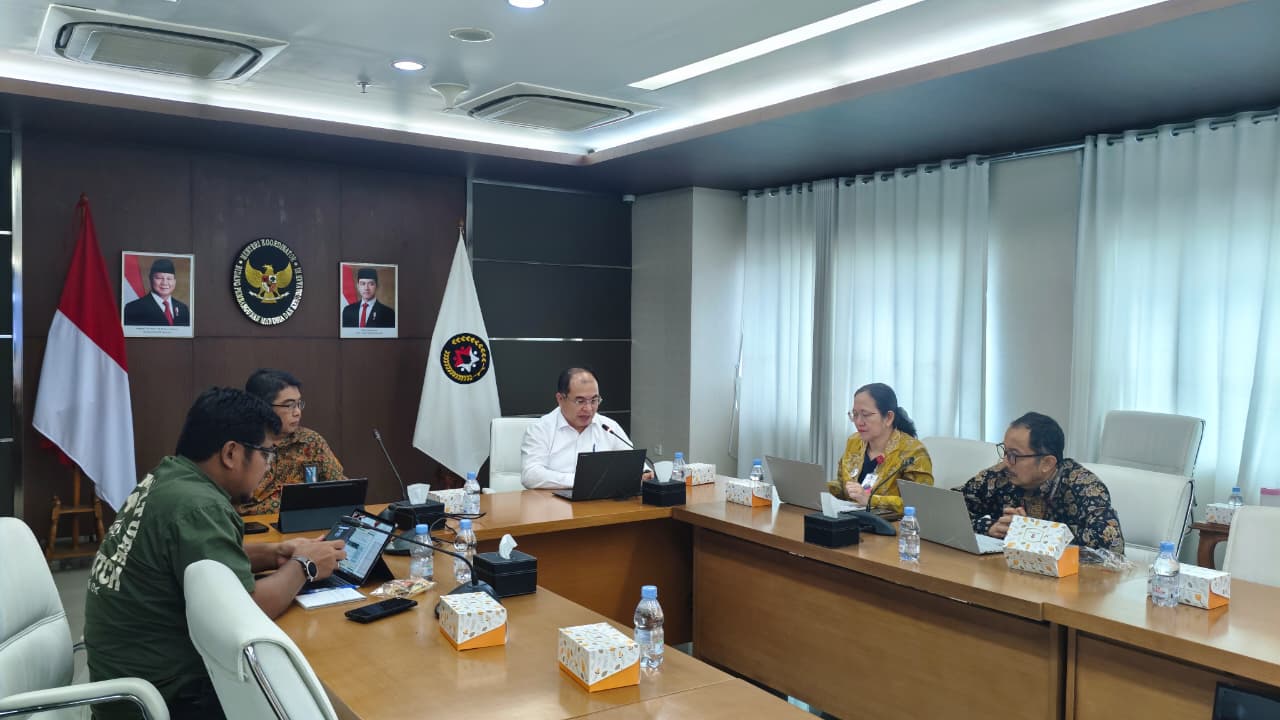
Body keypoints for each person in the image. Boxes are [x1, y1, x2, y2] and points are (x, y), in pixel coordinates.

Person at [84, 387, 347, 720]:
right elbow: (244, 614)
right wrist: (305, 566)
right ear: (231, 453)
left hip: (125, 681)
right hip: (166, 698)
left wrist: (275, 553)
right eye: (266, 454)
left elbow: (198, 561)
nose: (268, 467)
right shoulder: (200, 506)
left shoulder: (170, 477)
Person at [961, 411, 1125, 554]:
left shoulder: (1084, 487)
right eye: (1005, 452)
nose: (1006, 462)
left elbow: (1111, 543)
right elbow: (952, 508)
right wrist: (988, 527)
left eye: (1014, 455)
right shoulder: (999, 476)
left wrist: (1032, 532)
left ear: (1047, 463)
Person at [238, 368, 345, 516]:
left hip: (303, 523)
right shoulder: (242, 445)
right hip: (250, 525)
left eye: (299, 404)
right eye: (289, 405)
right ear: (263, 407)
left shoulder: (311, 441)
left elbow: (342, 489)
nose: (297, 412)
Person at [521, 367, 649, 489]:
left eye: (594, 400)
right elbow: (530, 475)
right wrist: (580, 481)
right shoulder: (540, 430)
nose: (588, 409)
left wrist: (644, 472)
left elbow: (632, 462)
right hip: (553, 501)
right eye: (580, 401)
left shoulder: (608, 427)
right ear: (560, 399)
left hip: (600, 500)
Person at [825, 382, 934, 514]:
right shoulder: (854, 442)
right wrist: (822, 489)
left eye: (865, 415)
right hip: (849, 518)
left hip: (891, 524)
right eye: (855, 414)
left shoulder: (913, 453)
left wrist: (871, 500)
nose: (858, 422)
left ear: (888, 417)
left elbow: (921, 503)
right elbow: (843, 485)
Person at [122, 257, 190, 326]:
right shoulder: (134, 308)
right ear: (150, 279)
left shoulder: (182, 308)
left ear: (175, 281)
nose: (164, 283)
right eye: (159, 278)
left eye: (169, 278)